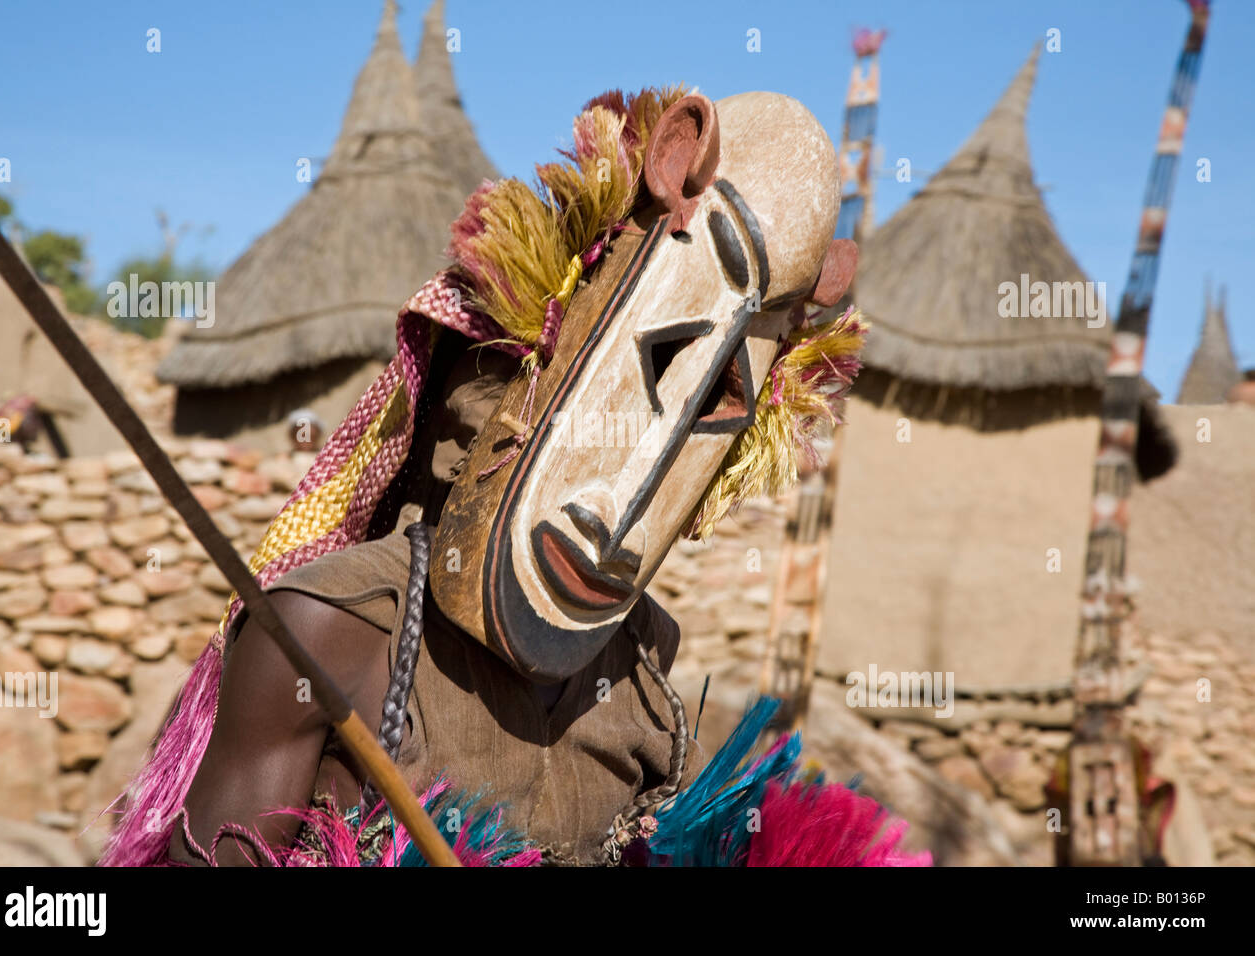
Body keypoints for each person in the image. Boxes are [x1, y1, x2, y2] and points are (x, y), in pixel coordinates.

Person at [101, 88, 924, 867]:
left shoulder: (639, 680)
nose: (620, 514)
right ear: (496, 397)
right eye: (658, 365)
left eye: (717, 406)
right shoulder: (327, 637)